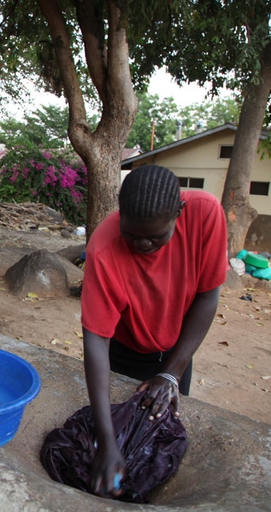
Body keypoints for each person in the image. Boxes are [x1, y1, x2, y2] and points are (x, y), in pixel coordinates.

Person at [80, 165, 227, 498]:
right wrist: (106, 441)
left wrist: (172, 374)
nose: (143, 243)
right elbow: (96, 338)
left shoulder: (206, 214)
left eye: (156, 236)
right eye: (132, 235)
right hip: (123, 351)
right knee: (124, 434)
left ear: (179, 213)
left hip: (178, 353)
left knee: (159, 437)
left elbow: (207, 296)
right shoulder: (104, 246)